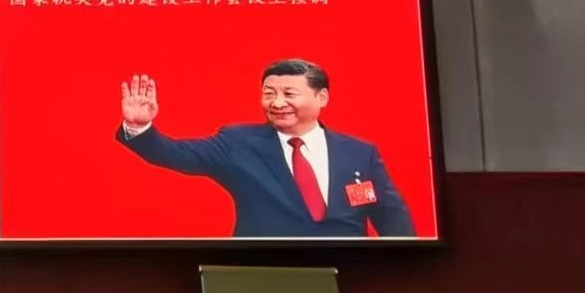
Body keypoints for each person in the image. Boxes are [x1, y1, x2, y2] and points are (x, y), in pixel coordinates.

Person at [115, 59, 416, 237]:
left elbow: (391, 217)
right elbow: (174, 153)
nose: (277, 102)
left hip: (349, 272)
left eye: (289, 93)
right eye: (269, 93)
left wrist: (404, 264)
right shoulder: (238, 143)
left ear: (321, 97)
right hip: (263, 273)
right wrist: (140, 127)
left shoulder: (359, 153)